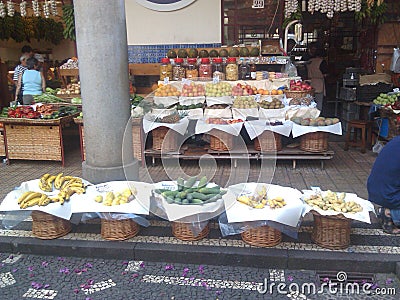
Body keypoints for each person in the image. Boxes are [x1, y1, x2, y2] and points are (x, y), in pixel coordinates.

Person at [367, 136, 400, 234]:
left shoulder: (396, 140)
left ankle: (390, 212)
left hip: (380, 191)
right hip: (389, 194)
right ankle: (390, 213)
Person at [305, 44, 328, 112]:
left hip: (309, 83)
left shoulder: (310, 61)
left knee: (309, 102)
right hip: (319, 83)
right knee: (318, 103)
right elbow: (325, 73)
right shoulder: (322, 62)